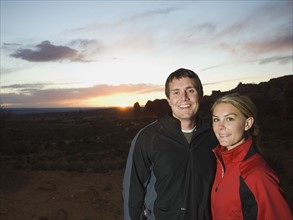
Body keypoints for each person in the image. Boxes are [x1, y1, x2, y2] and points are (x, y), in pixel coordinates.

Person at [122, 68, 218, 220]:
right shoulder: (148, 137)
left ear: (200, 95)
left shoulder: (214, 136)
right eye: (176, 92)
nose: (184, 98)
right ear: (168, 100)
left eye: (190, 90)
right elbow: (132, 190)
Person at [211, 93, 292, 219]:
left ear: (247, 123)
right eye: (216, 119)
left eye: (229, 119)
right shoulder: (220, 162)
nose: (220, 127)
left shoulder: (257, 176)